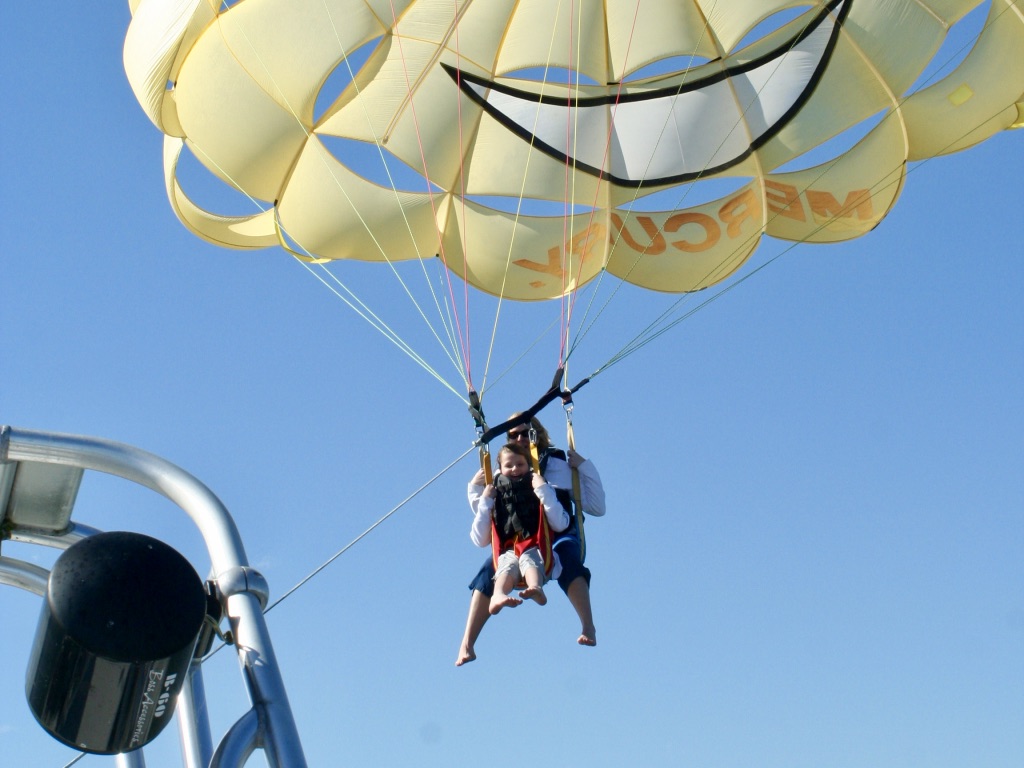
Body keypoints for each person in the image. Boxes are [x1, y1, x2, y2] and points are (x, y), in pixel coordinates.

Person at [456, 416, 606, 666]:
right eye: (513, 435)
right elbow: (486, 521)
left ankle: (588, 626)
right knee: (486, 572)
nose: (520, 439)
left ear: (538, 434)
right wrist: (474, 489)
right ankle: (467, 644)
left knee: (568, 559)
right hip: (516, 542)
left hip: (557, 534)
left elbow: (596, 507)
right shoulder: (503, 472)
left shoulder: (558, 465)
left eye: (526, 433)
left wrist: (585, 468)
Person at [469, 441, 569, 614]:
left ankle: (535, 587)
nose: (515, 469)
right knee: (506, 566)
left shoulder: (538, 485)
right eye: (509, 465)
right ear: (500, 468)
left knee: (530, 561)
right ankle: (498, 595)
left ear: (529, 465)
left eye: (520, 464)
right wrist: (484, 500)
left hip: (534, 544)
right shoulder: (494, 492)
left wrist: (543, 489)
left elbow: (561, 524)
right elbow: (479, 540)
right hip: (507, 549)